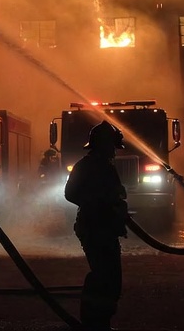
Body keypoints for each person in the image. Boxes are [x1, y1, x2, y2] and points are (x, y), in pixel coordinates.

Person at [64, 120, 128, 331]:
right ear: (104, 145)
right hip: (94, 228)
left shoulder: (105, 167)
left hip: (105, 228)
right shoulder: (87, 166)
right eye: (112, 147)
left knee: (109, 278)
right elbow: (70, 194)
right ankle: (94, 323)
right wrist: (99, 203)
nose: (114, 152)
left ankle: (100, 323)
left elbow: (115, 195)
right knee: (104, 277)